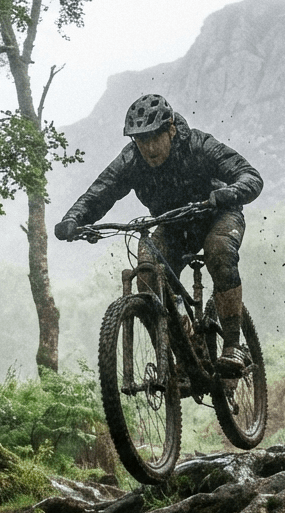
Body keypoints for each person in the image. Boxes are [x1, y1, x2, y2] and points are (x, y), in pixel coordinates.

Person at [53, 94, 263, 375]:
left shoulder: (198, 145)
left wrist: (231, 192)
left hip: (217, 215)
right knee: (147, 274)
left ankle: (233, 346)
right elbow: (99, 193)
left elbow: (250, 175)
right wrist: (74, 219)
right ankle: (183, 355)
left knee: (219, 251)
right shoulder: (131, 160)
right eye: (141, 141)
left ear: (171, 129)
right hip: (173, 226)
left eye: (155, 138)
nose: (149, 148)